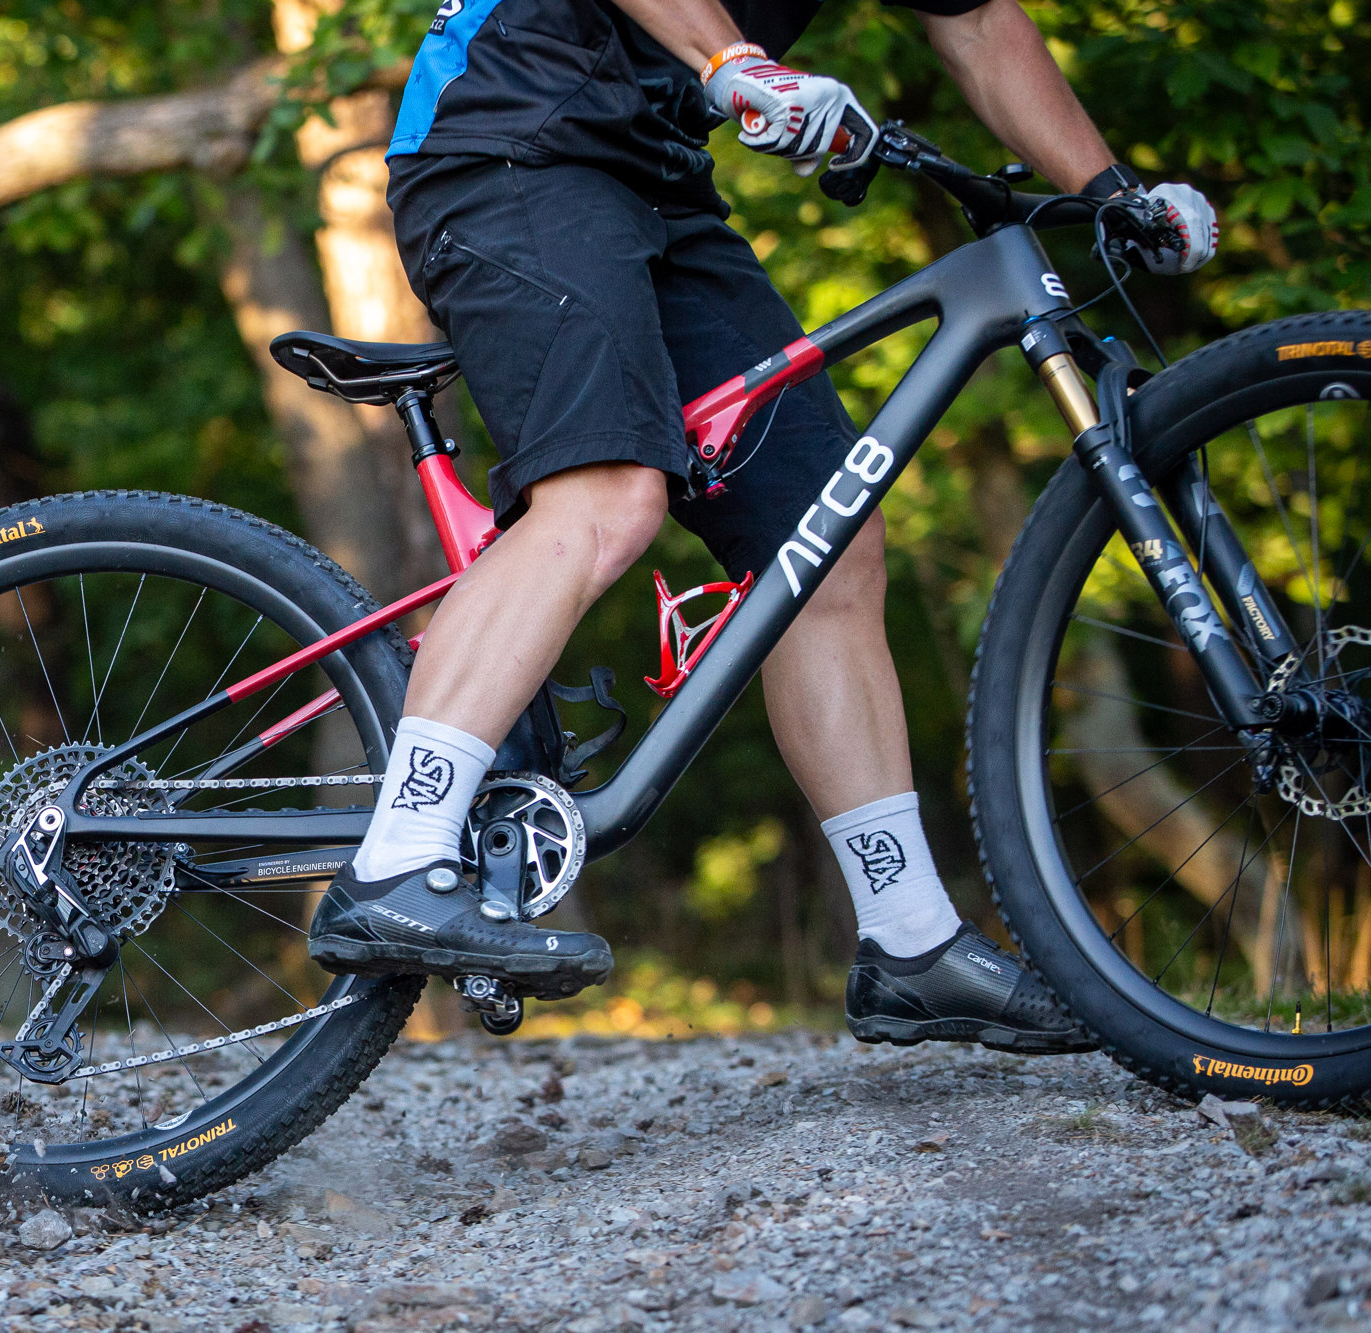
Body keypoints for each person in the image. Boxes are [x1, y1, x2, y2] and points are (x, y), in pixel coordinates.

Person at [307, 0, 1218, 1051]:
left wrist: (1112, 193)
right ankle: (397, 856)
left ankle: (908, 938)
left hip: (657, 179)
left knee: (824, 541)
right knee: (607, 495)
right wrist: (733, 61)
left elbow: (976, 24)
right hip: (513, 144)